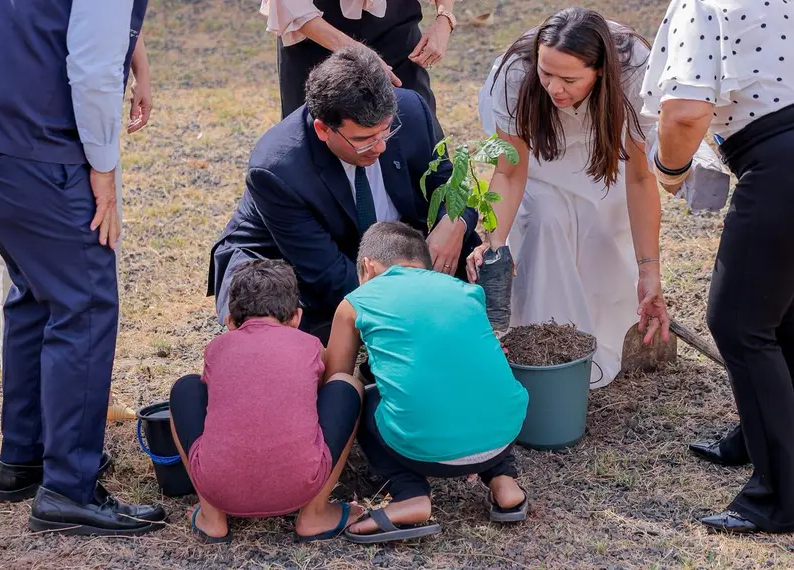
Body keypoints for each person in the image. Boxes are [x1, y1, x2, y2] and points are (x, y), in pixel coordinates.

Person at [0, 0, 166, 535]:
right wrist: (104, 171)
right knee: (83, 301)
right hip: (27, 138)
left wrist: (138, 60)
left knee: (36, 287)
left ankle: (25, 459)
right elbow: (89, 70)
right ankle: (68, 488)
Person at [207, 45, 481, 345]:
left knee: (475, 262)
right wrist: (415, 305)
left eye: (386, 132)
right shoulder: (277, 168)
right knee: (290, 339)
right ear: (324, 129)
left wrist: (454, 223)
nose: (380, 147)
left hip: (383, 251)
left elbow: (451, 185)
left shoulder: (412, 110)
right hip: (293, 263)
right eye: (363, 140)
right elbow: (328, 276)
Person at [641, 0, 794, 535]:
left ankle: (779, 496)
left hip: (780, 157)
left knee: (739, 322)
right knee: (781, 312)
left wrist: (670, 168)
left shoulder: (703, 3)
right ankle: (757, 439)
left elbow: (685, 111)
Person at [470, 7, 671, 388]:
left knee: (601, 222)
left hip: (602, 148)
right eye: (546, 73)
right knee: (544, 217)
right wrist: (494, 242)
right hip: (538, 147)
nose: (554, 88)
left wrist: (649, 269)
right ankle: (539, 344)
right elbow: (510, 171)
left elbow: (641, 178)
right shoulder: (516, 72)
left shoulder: (635, 69)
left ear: (600, 71)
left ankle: (602, 332)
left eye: (569, 79)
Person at [324, 221, 530, 544]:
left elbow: (336, 383)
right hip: (502, 434)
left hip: (422, 450)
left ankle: (410, 494)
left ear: (367, 267)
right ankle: (504, 482)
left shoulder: (358, 300)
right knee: (475, 380)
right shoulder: (465, 291)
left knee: (357, 396)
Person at [0, 30, 153, 422]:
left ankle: (87, 394)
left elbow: (119, 16)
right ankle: (47, 409)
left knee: (88, 263)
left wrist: (140, 71)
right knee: (43, 282)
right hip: (33, 126)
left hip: (83, 120)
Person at [169, 259, 364, 543]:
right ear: (297, 317)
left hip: (220, 487)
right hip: (300, 484)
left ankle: (212, 517)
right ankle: (315, 513)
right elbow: (325, 392)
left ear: (230, 322)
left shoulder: (216, 348)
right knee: (347, 387)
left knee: (185, 388)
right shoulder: (310, 345)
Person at [262, 0, 458, 136]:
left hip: (397, 26)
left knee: (417, 130)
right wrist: (354, 50)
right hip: (316, 32)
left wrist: (444, 19)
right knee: (321, 140)